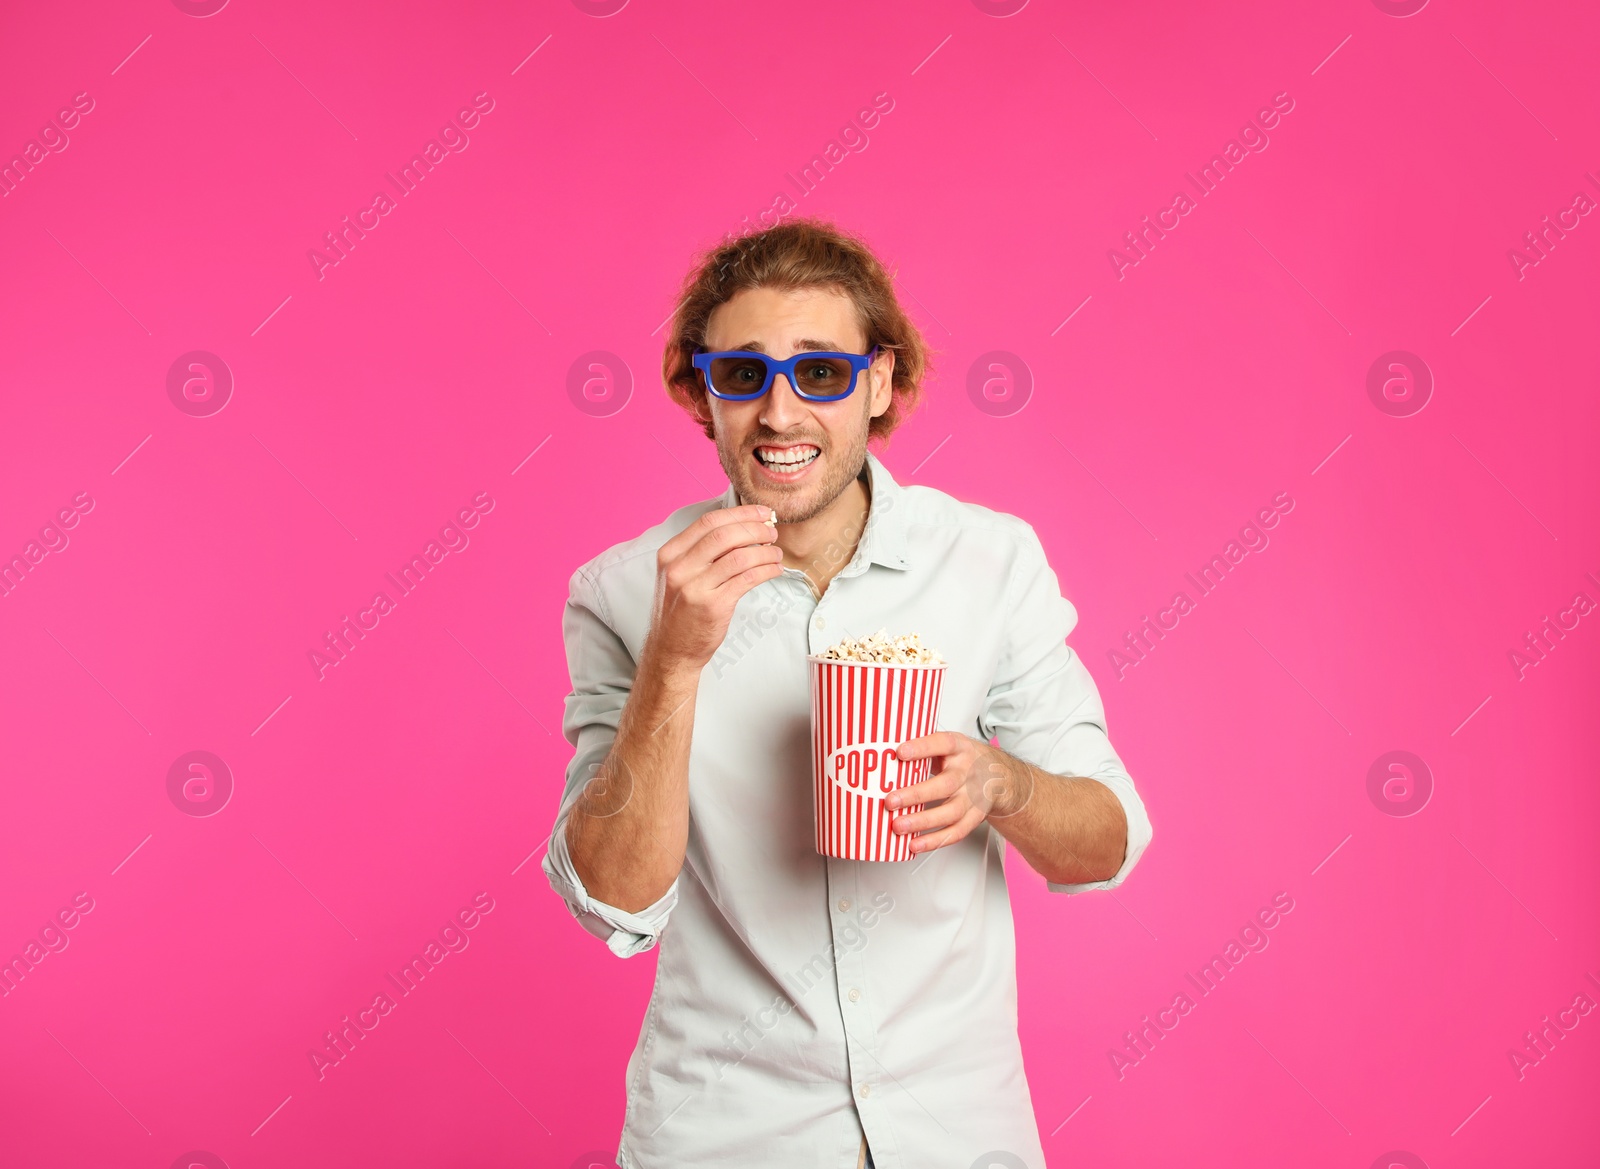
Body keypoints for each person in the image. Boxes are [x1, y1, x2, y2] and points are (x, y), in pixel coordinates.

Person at [543, 218, 1153, 1169]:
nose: (780, 415)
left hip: (961, 1135)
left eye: (820, 373)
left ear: (880, 381)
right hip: (726, 1138)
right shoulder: (624, 592)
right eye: (742, 375)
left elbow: (1107, 843)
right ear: (698, 393)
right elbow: (614, 901)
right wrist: (673, 660)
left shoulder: (988, 562)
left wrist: (1005, 785)